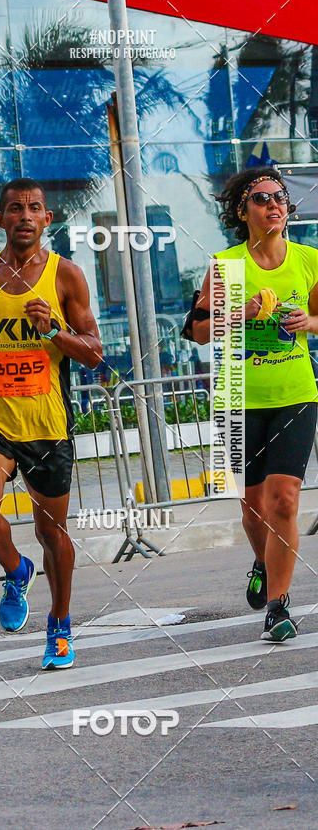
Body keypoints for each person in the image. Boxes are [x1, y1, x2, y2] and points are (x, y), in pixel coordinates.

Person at [0, 178, 103, 669]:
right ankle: (16, 571)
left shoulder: (66, 276)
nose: (25, 216)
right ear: (0, 219)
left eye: (35, 208)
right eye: (15, 208)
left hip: (47, 423)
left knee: (51, 532)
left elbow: (94, 352)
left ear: (46, 219)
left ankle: (60, 625)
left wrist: (54, 330)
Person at [191, 167, 318, 641]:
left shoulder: (309, 259)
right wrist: (240, 313)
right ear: (243, 211)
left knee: (284, 499)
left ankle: (278, 606)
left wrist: (309, 323)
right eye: (262, 199)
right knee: (252, 510)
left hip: (295, 395)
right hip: (236, 398)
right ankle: (262, 562)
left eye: (280, 197)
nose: (274, 205)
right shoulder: (225, 266)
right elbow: (196, 331)